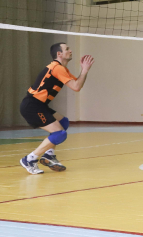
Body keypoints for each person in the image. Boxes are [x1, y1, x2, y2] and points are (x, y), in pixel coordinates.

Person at [19, 43, 95, 174]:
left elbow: (78, 84)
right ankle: (29, 159)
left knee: (63, 122)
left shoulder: (62, 69)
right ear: (59, 54)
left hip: (39, 105)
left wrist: (84, 70)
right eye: (67, 49)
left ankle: (49, 154)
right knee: (60, 133)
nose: (70, 51)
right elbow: (76, 87)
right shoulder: (57, 68)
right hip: (32, 106)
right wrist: (84, 70)